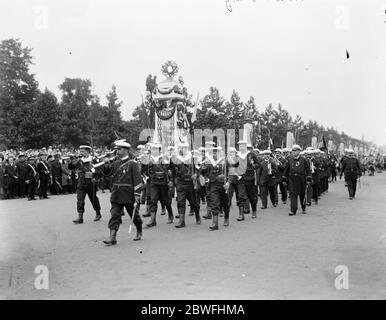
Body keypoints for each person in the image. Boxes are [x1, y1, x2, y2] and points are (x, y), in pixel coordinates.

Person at [102, 140, 143, 245]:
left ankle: (139, 229)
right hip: (116, 194)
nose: (117, 152)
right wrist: (105, 164)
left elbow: (138, 180)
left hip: (128, 194)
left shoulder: (133, 164)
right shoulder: (115, 163)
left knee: (134, 216)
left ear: (125, 151)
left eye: (119, 149)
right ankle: (112, 237)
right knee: (114, 215)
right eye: (117, 149)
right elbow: (107, 174)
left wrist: (137, 194)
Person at [171, 142, 201, 228]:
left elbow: (199, 169)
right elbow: (173, 170)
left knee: (193, 203)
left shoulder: (193, 158)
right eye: (180, 148)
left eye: (183, 148)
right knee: (180, 202)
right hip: (180, 183)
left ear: (186, 149)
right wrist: (174, 180)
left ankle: (197, 215)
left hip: (190, 184)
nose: (181, 149)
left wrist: (196, 174)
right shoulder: (176, 159)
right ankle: (181, 221)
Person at [68, 145, 102, 224]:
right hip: (81, 182)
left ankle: (98, 213)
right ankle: (80, 216)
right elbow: (70, 167)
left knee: (93, 199)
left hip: (91, 182)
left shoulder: (93, 159)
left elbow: (99, 170)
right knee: (80, 199)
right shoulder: (79, 160)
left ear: (87, 151)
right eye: (80, 151)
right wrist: (72, 160)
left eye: (82, 151)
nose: (81, 152)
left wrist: (92, 174)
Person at [201, 146, 229, 230]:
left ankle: (226, 217)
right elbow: (203, 172)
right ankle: (215, 223)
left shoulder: (225, 161)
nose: (215, 154)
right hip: (213, 184)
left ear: (220, 153)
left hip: (223, 185)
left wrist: (228, 182)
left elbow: (231, 172)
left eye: (216, 152)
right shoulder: (209, 162)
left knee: (225, 203)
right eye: (213, 152)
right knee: (214, 203)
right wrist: (203, 167)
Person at [283, 145, 311, 216]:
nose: (294, 152)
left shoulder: (304, 160)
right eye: (293, 151)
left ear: (299, 151)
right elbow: (286, 170)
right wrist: (284, 179)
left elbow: (308, 170)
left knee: (302, 194)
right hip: (292, 179)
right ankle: (293, 210)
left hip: (301, 179)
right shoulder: (290, 160)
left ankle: (303, 208)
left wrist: (308, 178)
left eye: (295, 150)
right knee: (293, 195)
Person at [235, 140, 260, 221]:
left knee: (251, 196)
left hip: (250, 178)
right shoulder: (237, 155)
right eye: (240, 145)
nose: (241, 147)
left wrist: (253, 165)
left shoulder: (251, 154)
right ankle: (241, 215)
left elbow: (258, 164)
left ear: (246, 146)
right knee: (240, 196)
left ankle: (254, 211)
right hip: (240, 178)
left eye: (243, 145)